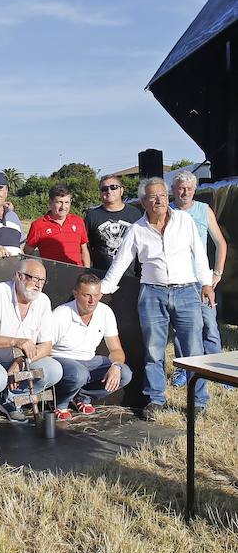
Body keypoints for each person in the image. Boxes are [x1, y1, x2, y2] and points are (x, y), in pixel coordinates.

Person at [101, 177, 215, 420]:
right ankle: (156, 398)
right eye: (153, 196)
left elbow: (200, 254)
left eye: (162, 195)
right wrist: (102, 289)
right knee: (153, 350)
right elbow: (120, 264)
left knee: (193, 349)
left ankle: (198, 401)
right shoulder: (137, 230)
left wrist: (206, 283)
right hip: (152, 293)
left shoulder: (184, 220)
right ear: (143, 201)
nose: (159, 199)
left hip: (187, 291)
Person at [0, 259, 63, 423]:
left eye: (43, 280)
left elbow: (46, 346)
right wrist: (14, 342)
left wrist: (21, 362)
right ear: (19, 276)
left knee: (54, 370)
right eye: (34, 278)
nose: (38, 284)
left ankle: (10, 398)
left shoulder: (43, 301)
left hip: (20, 360)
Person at [169, 170, 228, 388]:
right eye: (181, 188)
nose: (185, 192)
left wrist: (217, 273)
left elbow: (221, 243)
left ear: (195, 190)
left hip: (202, 280)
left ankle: (219, 372)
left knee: (210, 326)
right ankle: (186, 371)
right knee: (182, 330)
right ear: (174, 190)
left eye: (190, 189)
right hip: (178, 280)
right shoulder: (167, 211)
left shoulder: (204, 210)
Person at [51, 273, 132, 418]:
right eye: (87, 295)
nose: (92, 300)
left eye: (96, 295)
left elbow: (116, 349)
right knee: (79, 373)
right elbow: (46, 347)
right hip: (62, 360)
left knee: (124, 373)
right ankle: (60, 403)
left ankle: (81, 397)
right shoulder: (61, 314)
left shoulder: (105, 312)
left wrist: (116, 365)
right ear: (75, 294)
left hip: (89, 361)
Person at [84, 174, 143, 275]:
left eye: (113, 187)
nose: (109, 191)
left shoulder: (135, 213)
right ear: (100, 193)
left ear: (121, 190)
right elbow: (86, 247)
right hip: (101, 277)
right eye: (104, 188)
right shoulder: (92, 216)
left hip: (131, 276)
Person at [25, 185, 90, 266]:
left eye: (67, 202)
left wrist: (87, 270)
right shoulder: (38, 225)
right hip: (51, 275)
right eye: (59, 202)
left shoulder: (78, 221)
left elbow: (84, 250)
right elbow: (27, 253)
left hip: (77, 274)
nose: (63, 207)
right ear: (50, 202)